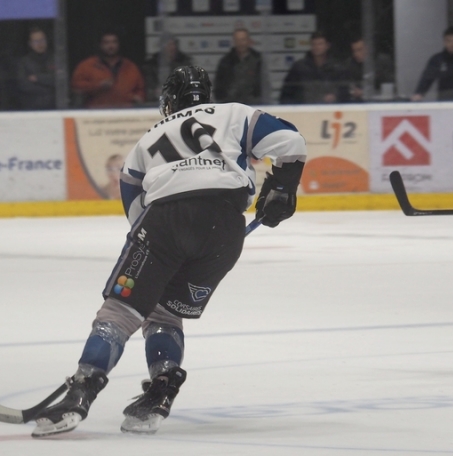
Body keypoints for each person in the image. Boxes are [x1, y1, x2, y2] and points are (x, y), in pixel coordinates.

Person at [30, 65, 307, 437]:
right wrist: (282, 190)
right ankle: (161, 393)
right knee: (164, 314)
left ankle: (81, 391)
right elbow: (290, 142)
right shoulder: (235, 113)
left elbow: (134, 206)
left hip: (166, 220)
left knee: (122, 310)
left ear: (169, 101)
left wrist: (157, 249)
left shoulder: (147, 139)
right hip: (226, 228)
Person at [71, 32, 144, 108]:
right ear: (100, 45)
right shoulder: (87, 65)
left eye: (114, 42)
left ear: (119, 44)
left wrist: (139, 97)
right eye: (106, 43)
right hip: (97, 113)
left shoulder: (130, 66)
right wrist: (98, 85)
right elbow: (76, 87)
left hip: (125, 113)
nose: (111, 46)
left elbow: (140, 88)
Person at [279, 31, 339, 104]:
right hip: (304, 109)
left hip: (330, 110)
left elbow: (343, 90)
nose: (316, 47)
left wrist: (336, 96)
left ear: (327, 46)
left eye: (320, 44)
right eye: (314, 44)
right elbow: (287, 92)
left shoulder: (336, 67)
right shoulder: (299, 67)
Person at [213, 28, 267, 105]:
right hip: (231, 106)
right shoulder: (226, 61)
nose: (241, 43)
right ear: (234, 42)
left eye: (243, 40)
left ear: (249, 41)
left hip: (254, 106)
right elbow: (219, 86)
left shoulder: (258, 60)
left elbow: (264, 85)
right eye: (237, 40)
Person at [411, 26, 453, 101]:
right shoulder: (437, 60)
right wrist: (419, 94)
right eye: (448, 41)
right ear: (444, 42)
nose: (452, 44)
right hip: (444, 102)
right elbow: (426, 79)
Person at [337, 36, 395, 102]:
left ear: (368, 48)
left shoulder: (382, 62)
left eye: (359, 50)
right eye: (354, 51)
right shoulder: (350, 65)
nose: (356, 54)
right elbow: (345, 87)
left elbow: (390, 88)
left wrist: (366, 93)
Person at [142, 37, 192, 103]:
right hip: (155, 102)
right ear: (162, 47)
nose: (172, 47)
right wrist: (155, 90)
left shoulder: (184, 63)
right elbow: (148, 84)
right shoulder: (152, 64)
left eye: (174, 45)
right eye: (169, 45)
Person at [16, 27, 55, 110]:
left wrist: (38, 78)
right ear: (30, 44)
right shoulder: (24, 62)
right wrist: (49, 89)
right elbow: (23, 85)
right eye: (36, 41)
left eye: (42, 40)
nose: (40, 44)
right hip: (32, 108)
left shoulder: (55, 59)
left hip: (54, 107)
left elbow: (58, 80)